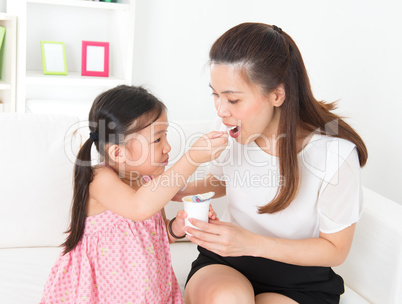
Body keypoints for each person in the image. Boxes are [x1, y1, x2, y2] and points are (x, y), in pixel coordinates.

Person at [177, 23, 368, 304]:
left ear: (277, 95)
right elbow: (218, 182)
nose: (220, 110)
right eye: (215, 95)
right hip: (228, 262)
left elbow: (335, 249)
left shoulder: (335, 155)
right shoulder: (231, 129)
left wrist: (250, 243)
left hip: (300, 279)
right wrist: (164, 188)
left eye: (232, 98)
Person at [40, 85, 228, 303]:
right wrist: (193, 157)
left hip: (147, 291)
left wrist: (177, 228)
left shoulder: (149, 180)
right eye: (157, 139)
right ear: (118, 152)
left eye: (165, 135)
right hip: (101, 293)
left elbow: (156, 234)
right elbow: (139, 208)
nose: (167, 147)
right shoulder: (100, 178)